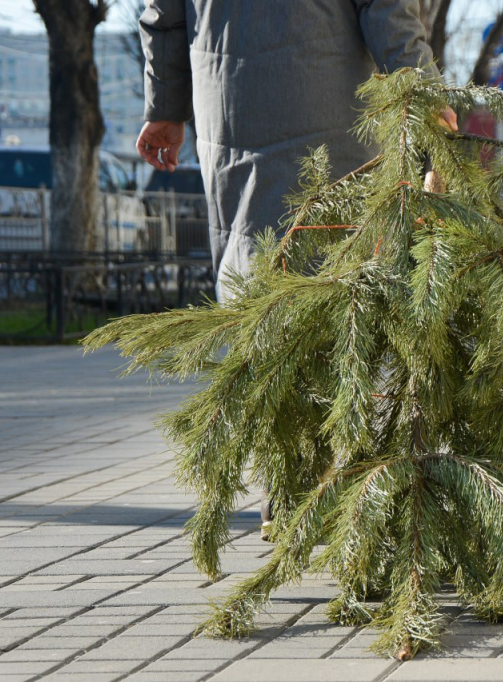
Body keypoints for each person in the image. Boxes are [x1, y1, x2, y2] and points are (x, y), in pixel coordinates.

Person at [134, 0, 455, 540]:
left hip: (230, 100)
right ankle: (340, 478)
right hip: (329, 99)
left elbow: (161, 13)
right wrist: (421, 88)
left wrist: (165, 106)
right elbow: (387, 9)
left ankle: (283, 486)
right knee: (335, 286)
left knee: (256, 280)